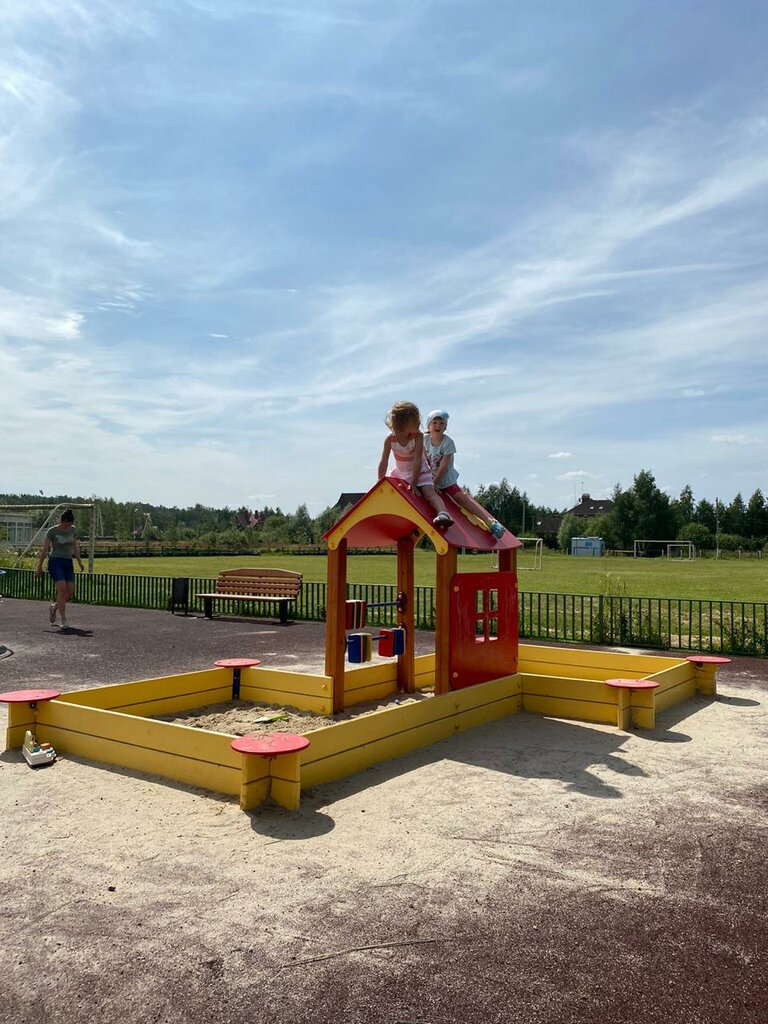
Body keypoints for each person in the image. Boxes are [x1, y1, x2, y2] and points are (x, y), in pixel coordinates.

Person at [424, 410, 504, 538]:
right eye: (434, 423)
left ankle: (490, 522)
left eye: (441, 423)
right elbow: (423, 460)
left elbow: (443, 466)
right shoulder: (424, 439)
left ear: (445, 427)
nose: (438, 426)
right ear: (428, 426)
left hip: (446, 479)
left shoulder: (448, 443)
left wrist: (435, 484)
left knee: (461, 499)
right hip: (429, 477)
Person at [378, 401, 454, 527]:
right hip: (400, 473)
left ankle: (443, 513)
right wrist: (380, 480)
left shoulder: (417, 436)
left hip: (420, 472)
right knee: (393, 494)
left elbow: (417, 460)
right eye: (416, 422)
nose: (419, 424)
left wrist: (414, 482)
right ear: (404, 426)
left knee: (429, 492)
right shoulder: (390, 439)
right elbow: (384, 461)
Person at [35, 508, 84, 628]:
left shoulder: (73, 530)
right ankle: (63, 620)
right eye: (67, 524)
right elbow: (45, 550)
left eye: (70, 524)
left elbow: (74, 546)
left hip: (68, 562)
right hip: (55, 561)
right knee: (62, 589)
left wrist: (79, 561)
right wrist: (39, 567)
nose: (68, 526)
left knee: (69, 592)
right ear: (63, 521)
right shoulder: (52, 531)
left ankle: (54, 607)